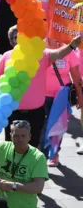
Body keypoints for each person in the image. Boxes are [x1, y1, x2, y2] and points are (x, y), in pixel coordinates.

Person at [0, 26, 81, 149]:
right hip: (12, 111)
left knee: (33, 148)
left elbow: (59, 53)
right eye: (16, 37)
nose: (20, 40)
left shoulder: (41, 54)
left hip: (35, 113)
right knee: (12, 147)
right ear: (12, 40)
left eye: (23, 36)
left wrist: (71, 45)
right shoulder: (7, 56)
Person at [0, 121, 48, 208]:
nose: (20, 139)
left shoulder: (38, 157)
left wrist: (13, 186)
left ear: (29, 137)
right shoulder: (2, 148)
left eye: (23, 136)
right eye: (16, 136)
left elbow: (38, 187)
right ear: (11, 136)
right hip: (1, 204)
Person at [44, 38, 82, 166]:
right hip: (42, 95)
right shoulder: (41, 49)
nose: (56, 40)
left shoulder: (70, 50)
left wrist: (80, 96)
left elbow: (76, 77)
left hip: (61, 96)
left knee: (57, 126)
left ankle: (54, 154)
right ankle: (41, 154)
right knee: (43, 125)